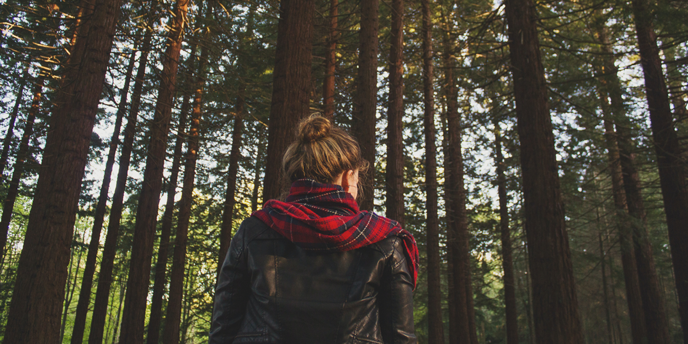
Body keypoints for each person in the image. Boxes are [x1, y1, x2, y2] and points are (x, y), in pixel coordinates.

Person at [209, 115, 418, 344]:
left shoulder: (254, 231)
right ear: (349, 177)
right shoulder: (384, 240)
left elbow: (223, 328)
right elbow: (401, 337)